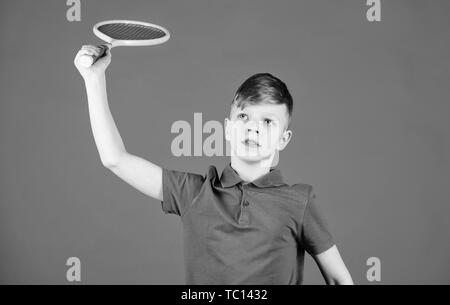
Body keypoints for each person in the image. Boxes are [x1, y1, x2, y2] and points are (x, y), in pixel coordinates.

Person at [74, 45, 354, 285]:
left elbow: (341, 280)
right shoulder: (193, 192)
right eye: (244, 117)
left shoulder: (299, 201)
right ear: (228, 129)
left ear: (284, 138)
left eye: (268, 122)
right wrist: (93, 78)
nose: (253, 129)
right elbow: (115, 159)